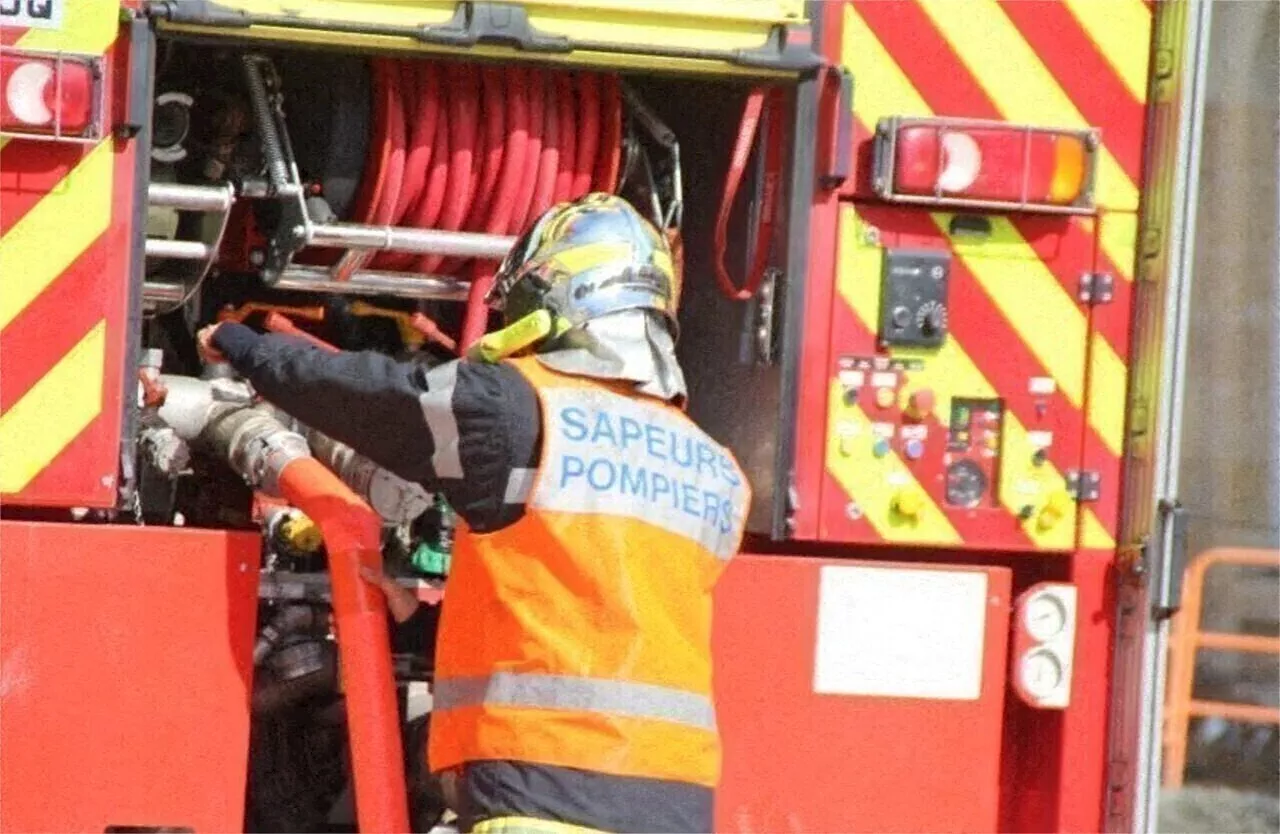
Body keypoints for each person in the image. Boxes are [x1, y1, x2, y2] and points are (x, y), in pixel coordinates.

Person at [198, 193, 752, 834]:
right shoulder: (716, 471)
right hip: (679, 810)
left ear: (557, 299)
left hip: (544, 802)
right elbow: (609, 619)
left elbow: (369, 398)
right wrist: (421, 634)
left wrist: (241, 344)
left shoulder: (524, 411)